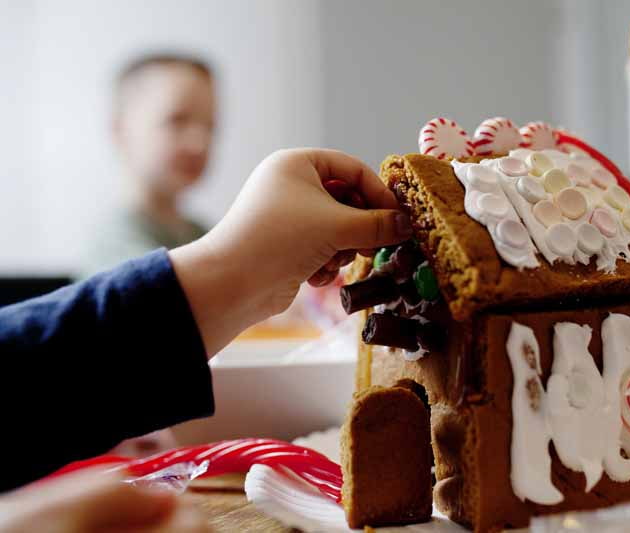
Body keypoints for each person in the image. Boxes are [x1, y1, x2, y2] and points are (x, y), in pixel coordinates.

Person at [0, 148, 412, 531]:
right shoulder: (115, 232)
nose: (196, 139)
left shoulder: (193, 225)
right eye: (177, 119)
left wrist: (237, 270)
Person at [83, 53, 216, 275]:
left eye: (210, 125)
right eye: (177, 120)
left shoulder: (203, 233)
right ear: (120, 130)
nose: (199, 142)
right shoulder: (113, 246)